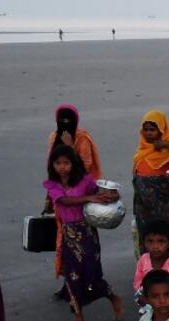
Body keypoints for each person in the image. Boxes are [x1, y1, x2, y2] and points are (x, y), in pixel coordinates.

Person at [44, 144, 124, 321]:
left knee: (93, 273)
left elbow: (103, 193)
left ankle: (113, 298)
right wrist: (89, 199)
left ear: (74, 163)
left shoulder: (85, 181)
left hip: (87, 234)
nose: (62, 167)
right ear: (52, 165)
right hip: (69, 236)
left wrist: (111, 196)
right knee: (72, 278)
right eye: (58, 163)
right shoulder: (53, 185)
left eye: (66, 163)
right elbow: (62, 200)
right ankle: (78, 317)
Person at [45, 104, 103, 295]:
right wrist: (48, 197)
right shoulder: (54, 138)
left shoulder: (82, 138)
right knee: (63, 242)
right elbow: (51, 166)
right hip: (60, 196)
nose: (65, 124)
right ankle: (68, 283)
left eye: (69, 121)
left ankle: (89, 281)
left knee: (85, 244)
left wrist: (70, 147)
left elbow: (86, 167)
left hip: (80, 196)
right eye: (61, 121)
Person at [131, 110, 169, 258]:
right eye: (146, 130)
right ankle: (148, 266)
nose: (149, 133)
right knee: (146, 232)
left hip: (162, 201)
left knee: (166, 232)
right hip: (143, 203)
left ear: (161, 130)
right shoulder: (142, 149)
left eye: (153, 130)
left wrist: (167, 145)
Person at [133, 219, 169, 314]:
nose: (155, 246)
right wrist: (144, 298)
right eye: (150, 241)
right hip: (148, 307)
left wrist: (160, 301)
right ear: (144, 243)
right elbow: (138, 284)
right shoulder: (143, 260)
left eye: (161, 241)